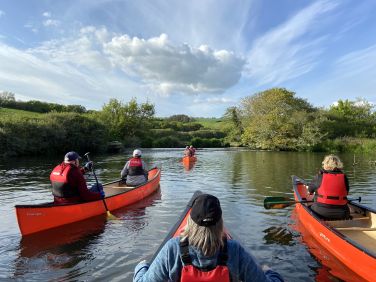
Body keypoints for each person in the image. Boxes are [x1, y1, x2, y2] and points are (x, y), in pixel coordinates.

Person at [133, 194, 284, 282]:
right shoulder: (234, 249)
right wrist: (270, 273)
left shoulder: (173, 248)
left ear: (190, 222)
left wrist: (141, 266)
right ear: (220, 223)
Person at [308, 154, 350, 220]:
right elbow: (346, 193)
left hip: (321, 212)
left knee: (308, 207)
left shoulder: (319, 176)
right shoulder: (344, 177)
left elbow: (310, 190)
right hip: (342, 213)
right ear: (338, 164)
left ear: (325, 164)